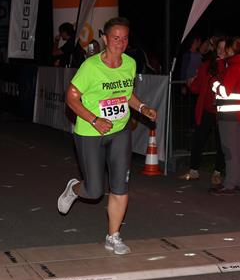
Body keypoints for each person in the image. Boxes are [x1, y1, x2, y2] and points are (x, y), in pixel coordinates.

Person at [57, 17, 157, 255]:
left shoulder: (130, 63)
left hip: (120, 131)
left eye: (125, 38)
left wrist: (142, 107)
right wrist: (94, 119)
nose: (120, 43)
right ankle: (74, 189)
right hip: (90, 133)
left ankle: (113, 236)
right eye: (115, 38)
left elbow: (126, 95)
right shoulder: (91, 67)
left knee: (120, 187)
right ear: (105, 39)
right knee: (93, 192)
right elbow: (71, 98)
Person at [211, 36, 240, 195]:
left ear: (231, 49)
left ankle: (230, 183)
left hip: (229, 115)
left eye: (226, 48)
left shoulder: (235, 67)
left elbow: (225, 91)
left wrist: (214, 84)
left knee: (229, 150)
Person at [181, 37, 226, 186]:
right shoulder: (206, 66)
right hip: (206, 109)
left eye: (224, 48)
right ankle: (194, 170)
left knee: (221, 142)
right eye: (219, 48)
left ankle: (218, 172)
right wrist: (190, 83)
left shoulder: (230, 66)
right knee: (198, 139)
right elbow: (197, 87)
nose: (221, 51)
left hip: (223, 111)